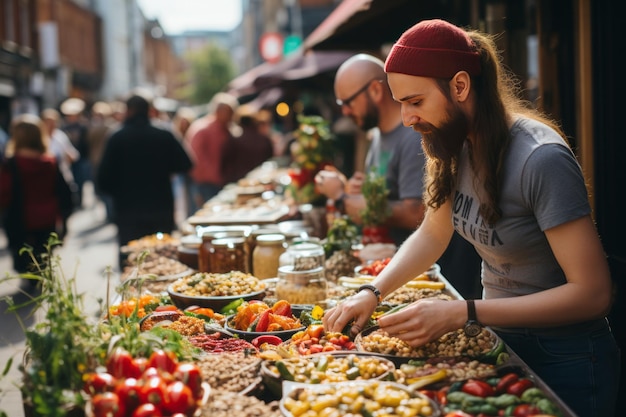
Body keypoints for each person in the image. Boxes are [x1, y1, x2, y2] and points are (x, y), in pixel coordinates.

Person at [322, 19, 619, 417]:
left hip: (567, 359)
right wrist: (372, 292)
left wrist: (465, 311)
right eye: (401, 104)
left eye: (415, 101)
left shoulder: (540, 158)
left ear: (460, 86)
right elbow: (432, 233)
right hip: (498, 345)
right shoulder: (449, 145)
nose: (407, 119)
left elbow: (594, 294)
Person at [315, 53, 482, 298]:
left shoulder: (416, 136)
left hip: (429, 275)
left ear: (374, 90)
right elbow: (388, 197)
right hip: (397, 266)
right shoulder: (377, 137)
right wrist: (358, 192)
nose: (345, 112)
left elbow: (418, 213)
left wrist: (342, 198)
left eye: (347, 102)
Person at [96, 93, 193, 267]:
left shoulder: (117, 137)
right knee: (163, 262)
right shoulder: (163, 134)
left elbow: (102, 180)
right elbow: (185, 164)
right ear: (149, 110)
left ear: (128, 111)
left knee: (132, 265)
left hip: (128, 211)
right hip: (160, 208)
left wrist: (120, 194)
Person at [0, 114, 74, 281]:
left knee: (25, 257)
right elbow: (64, 191)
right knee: (43, 254)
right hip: (48, 216)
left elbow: (4, 192)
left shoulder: (11, 164)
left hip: (20, 218)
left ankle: (33, 281)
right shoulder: (50, 161)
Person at [184, 92, 238, 213]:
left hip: (220, 182)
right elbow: (195, 160)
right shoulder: (202, 129)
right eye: (229, 112)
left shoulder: (226, 129)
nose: (232, 116)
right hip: (206, 184)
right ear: (219, 111)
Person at [222, 104, 274, 184]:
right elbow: (270, 159)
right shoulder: (264, 139)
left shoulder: (234, 140)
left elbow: (226, 163)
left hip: (240, 181)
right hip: (260, 180)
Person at [60, 97, 91, 209]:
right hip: (68, 159)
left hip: (81, 157)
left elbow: (87, 143)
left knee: (80, 180)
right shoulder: (64, 127)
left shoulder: (83, 127)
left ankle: (79, 201)